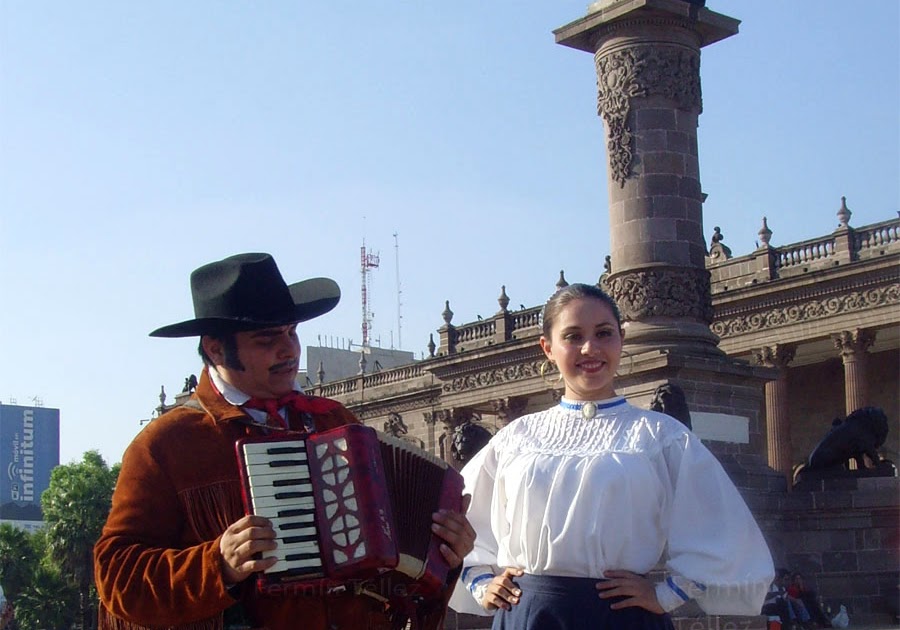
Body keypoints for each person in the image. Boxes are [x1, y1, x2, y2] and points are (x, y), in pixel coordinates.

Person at [94, 253, 475, 630]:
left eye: (291, 332)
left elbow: (388, 568)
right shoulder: (167, 444)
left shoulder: (333, 420)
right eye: (267, 339)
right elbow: (116, 576)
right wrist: (217, 565)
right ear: (215, 348)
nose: (289, 350)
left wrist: (444, 557)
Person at [448, 283, 775, 629]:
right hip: (531, 614)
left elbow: (720, 524)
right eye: (573, 336)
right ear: (548, 348)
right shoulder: (517, 438)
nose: (590, 348)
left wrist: (668, 594)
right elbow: (458, 514)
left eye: (604, 333)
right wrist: (480, 581)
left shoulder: (660, 436)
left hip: (623, 617)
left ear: (621, 339)